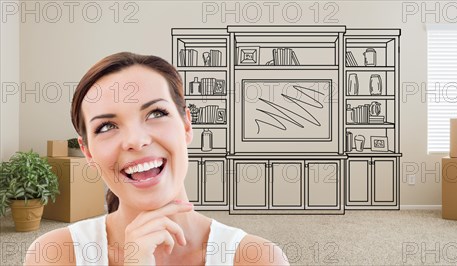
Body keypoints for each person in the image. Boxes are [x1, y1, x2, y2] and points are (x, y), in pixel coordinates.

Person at [25, 52, 289, 265]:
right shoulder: (55, 255)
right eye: (106, 126)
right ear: (88, 152)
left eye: (155, 113)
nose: (136, 141)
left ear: (186, 125)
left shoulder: (258, 258)